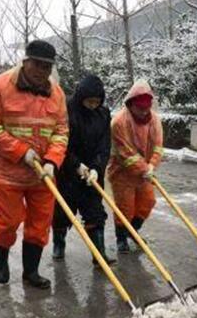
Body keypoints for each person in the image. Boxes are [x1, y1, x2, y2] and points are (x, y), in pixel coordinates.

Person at [0, 40, 68, 289]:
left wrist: (52, 160)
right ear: (25, 61)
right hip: (8, 173)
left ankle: (31, 272)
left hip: (42, 175)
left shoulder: (56, 93)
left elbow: (61, 131)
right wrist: (21, 152)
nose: (43, 72)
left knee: (40, 225)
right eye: (38, 65)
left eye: (48, 67)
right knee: (8, 221)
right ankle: (1, 258)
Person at [51, 74, 116, 266]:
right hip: (67, 173)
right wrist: (76, 165)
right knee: (62, 213)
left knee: (95, 212)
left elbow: (105, 146)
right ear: (81, 97)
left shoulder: (103, 115)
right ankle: (59, 243)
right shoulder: (67, 111)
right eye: (90, 101)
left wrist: (96, 168)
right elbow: (61, 143)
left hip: (91, 176)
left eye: (97, 102)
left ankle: (99, 255)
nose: (93, 105)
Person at [107, 80, 163, 253]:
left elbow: (158, 146)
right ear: (131, 104)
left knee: (148, 201)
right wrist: (145, 169)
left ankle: (133, 230)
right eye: (140, 108)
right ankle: (121, 238)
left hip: (145, 172)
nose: (144, 111)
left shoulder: (154, 120)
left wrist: (152, 165)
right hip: (122, 173)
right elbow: (126, 154)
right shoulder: (119, 122)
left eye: (147, 108)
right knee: (125, 208)